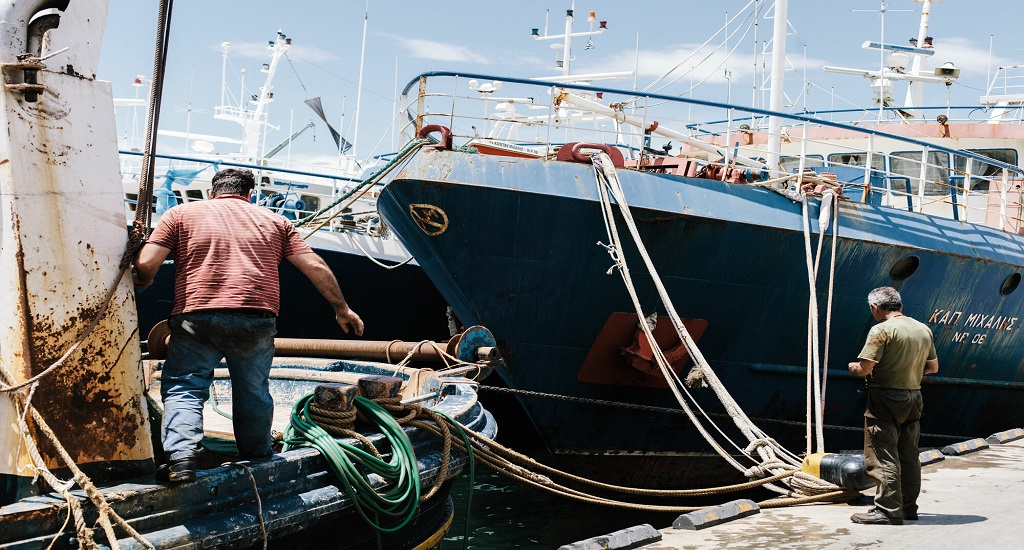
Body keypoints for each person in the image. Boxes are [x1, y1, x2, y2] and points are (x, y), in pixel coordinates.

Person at [133, 168, 364, 483]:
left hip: (197, 317)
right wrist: (342, 309)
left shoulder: (180, 214)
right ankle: (257, 462)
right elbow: (315, 265)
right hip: (256, 319)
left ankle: (182, 462)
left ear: (213, 192)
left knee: (185, 387)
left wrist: (142, 281)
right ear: (250, 193)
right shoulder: (276, 222)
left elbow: (147, 265)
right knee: (253, 391)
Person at [847, 287, 938, 525]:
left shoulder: (881, 330)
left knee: (883, 453)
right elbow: (932, 368)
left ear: (875, 308)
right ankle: (908, 508)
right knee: (908, 454)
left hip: (886, 398)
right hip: (914, 397)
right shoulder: (922, 329)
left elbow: (864, 368)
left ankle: (888, 510)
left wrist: (853, 367)